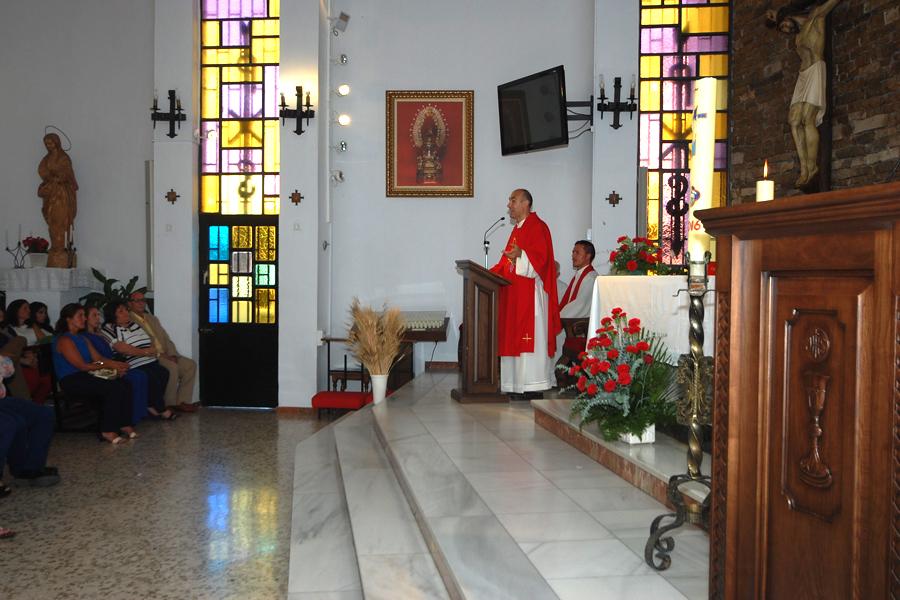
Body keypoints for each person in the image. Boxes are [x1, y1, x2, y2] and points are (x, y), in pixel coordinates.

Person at [489, 189, 561, 400]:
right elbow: (507, 263)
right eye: (510, 200)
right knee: (514, 338)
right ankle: (515, 385)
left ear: (525, 203)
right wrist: (491, 273)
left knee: (531, 339)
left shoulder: (538, 227)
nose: (509, 205)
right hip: (515, 296)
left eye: (512, 200)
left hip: (530, 297)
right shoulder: (517, 230)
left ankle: (532, 385)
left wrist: (521, 255)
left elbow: (542, 261)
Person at [766, 0, 842, 188]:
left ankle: (812, 166)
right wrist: (776, 15)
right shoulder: (798, 38)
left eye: (783, 25)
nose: (784, 29)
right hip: (803, 76)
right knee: (793, 120)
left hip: (816, 69)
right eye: (782, 29)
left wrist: (779, 14)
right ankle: (805, 168)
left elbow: (830, 4)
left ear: (788, 17)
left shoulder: (816, 17)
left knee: (808, 119)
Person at [52, 303, 135, 444]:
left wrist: (116, 365)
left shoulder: (82, 338)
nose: (84, 319)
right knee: (113, 388)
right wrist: (106, 367)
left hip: (85, 374)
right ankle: (107, 430)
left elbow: (99, 359)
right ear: (68, 319)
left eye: (84, 316)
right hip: (72, 379)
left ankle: (123, 423)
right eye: (80, 316)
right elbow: (82, 366)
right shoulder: (64, 340)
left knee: (124, 383)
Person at [99, 302, 174, 421]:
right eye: (121, 311)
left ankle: (150, 405)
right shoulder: (109, 328)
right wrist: (145, 352)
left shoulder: (134, 325)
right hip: (132, 363)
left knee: (164, 373)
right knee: (151, 377)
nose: (126, 313)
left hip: (149, 360)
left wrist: (151, 350)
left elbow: (148, 339)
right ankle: (162, 409)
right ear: (112, 316)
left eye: (126, 310)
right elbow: (122, 348)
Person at [127, 292, 198, 412]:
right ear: (129, 304)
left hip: (166, 353)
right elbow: (139, 344)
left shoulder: (151, 318)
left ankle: (182, 401)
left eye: (143, 300)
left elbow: (165, 338)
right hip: (152, 356)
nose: (141, 303)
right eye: (137, 301)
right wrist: (163, 356)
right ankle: (169, 404)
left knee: (190, 365)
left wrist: (173, 354)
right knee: (172, 367)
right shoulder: (129, 320)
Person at [37, 132, 78, 268]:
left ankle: (60, 250)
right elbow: (42, 171)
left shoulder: (63, 158)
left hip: (61, 194)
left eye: (50, 142)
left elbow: (66, 174)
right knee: (52, 222)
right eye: (46, 144)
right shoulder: (46, 158)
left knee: (59, 222)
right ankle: (55, 248)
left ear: (57, 142)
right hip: (50, 194)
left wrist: (57, 178)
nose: (48, 146)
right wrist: (49, 179)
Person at [1, 299, 52, 404]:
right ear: (16, 311)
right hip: (22, 361)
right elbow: (13, 348)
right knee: (33, 379)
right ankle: (28, 405)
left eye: (29, 308)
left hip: (37, 358)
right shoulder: (8, 329)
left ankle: (36, 405)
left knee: (46, 380)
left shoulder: (33, 326)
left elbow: (46, 341)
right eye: (25, 308)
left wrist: (33, 324)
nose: (29, 310)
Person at [558, 240, 598, 319]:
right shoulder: (580, 275)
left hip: (579, 324)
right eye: (573, 252)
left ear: (588, 256)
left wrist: (559, 317)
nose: (573, 256)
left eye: (577, 252)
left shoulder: (590, 277)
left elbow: (580, 304)